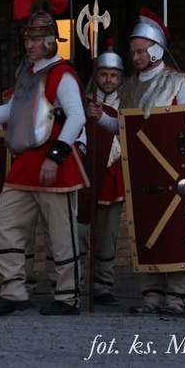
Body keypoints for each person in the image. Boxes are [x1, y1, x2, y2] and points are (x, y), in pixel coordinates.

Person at [0, 10, 87, 316]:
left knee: (60, 232)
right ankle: (15, 291)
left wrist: (57, 155)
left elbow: (77, 116)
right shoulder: (27, 74)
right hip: (25, 165)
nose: (29, 45)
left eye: (35, 39)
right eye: (27, 39)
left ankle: (68, 296)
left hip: (53, 163)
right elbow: (12, 111)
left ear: (50, 40)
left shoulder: (63, 74)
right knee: (4, 221)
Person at [88, 8, 185, 316]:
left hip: (172, 170)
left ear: (156, 50)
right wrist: (101, 118)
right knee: (147, 232)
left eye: (139, 51)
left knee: (173, 233)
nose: (134, 56)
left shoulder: (178, 83)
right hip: (141, 170)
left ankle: (175, 297)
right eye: (132, 51)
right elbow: (124, 127)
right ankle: (152, 296)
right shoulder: (130, 87)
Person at [79, 41, 125, 307]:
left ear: (120, 77)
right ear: (96, 76)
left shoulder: (129, 102)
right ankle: (75, 282)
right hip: (86, 175)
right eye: (104, 74)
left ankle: (102, 285)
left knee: (107, 234)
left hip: (113, 174)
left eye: (113, 75)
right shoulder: (83, 102)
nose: (108, 80)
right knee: (80, 231)